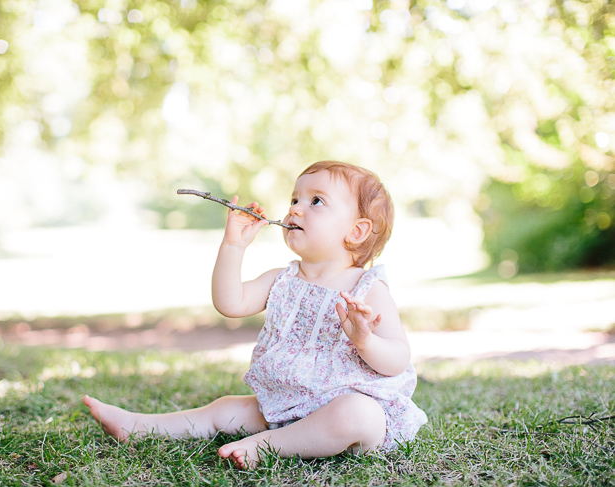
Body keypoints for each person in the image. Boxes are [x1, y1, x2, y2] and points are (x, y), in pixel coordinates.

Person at [83, 160, 427, 469]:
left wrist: (365, 340)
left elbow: (398, 359)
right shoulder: (283, 279)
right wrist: (233, 247)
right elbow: (230, 303)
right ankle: (139, 427)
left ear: (356, 231)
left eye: (316, 201)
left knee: (357, 414)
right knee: (225, 409)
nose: (296, 209)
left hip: (352, 417)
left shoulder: (367, 289)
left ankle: (268, 446)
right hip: (290, 407)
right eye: (294, 199)